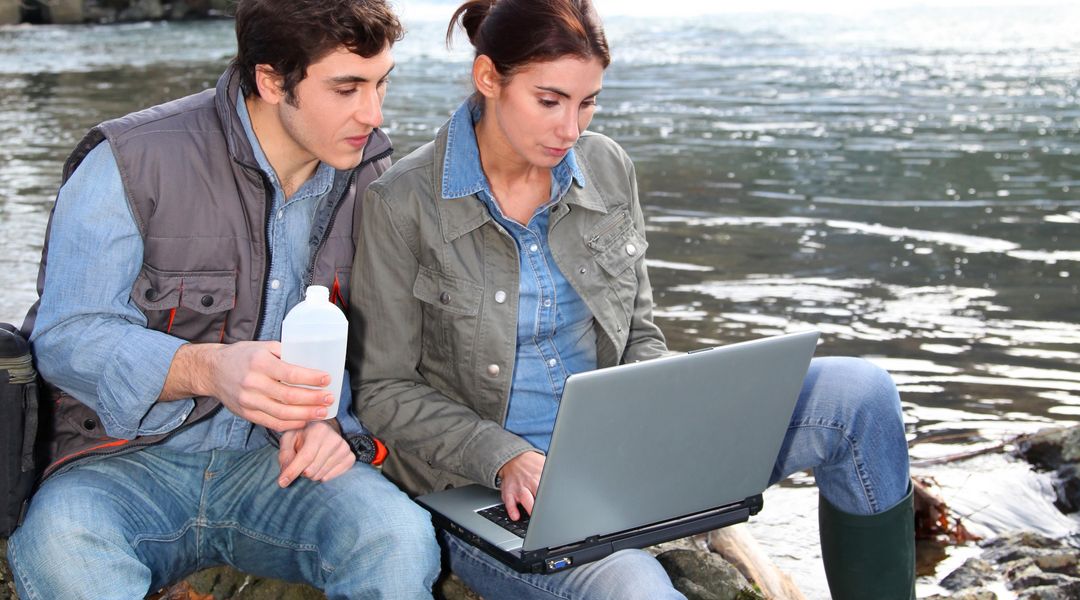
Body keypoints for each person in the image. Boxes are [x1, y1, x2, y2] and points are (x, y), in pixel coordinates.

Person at [349, 0, 915, 598]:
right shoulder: (402, 204)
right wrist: (501, 455)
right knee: (635, 589)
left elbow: (639, 332)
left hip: (623, 457)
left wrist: (666, 415)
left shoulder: (607, 166)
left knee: (859, 395)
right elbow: (383, 389)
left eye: (587, 102)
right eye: (549, 101)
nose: (571, 129)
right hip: (499, 493)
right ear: (488, 78)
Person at [6, 1, 441, 598]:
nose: (373, 112)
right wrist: (205, 368)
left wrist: (337, 426)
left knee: (397, 537)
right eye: (347, 88)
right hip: (118, 463)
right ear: (271, 79)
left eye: (380, 83)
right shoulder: (129, 162)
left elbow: (384, 348)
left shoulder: (374, 171)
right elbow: (67, 336)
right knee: (59, 549)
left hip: (281, 469)